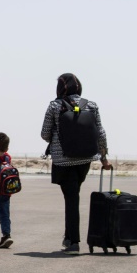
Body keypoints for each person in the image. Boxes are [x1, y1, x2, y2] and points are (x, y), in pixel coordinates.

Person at [41, 73, 111, 255]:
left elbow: (45, 133)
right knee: (73, 196)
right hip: (85, 159)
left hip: (64, 160)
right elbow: (100, 133)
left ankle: (73, 242)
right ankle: (68, 237)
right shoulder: (91, 105)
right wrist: (103, 157)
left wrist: (57, 140)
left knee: (71, 199)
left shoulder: (55, 106)